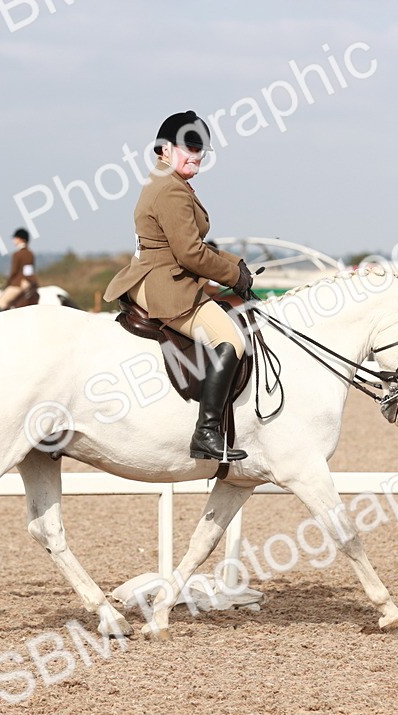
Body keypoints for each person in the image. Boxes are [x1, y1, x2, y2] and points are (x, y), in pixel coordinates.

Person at [103, 110, 252, 462]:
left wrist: (235, 264)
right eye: (188, 147)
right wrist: (233, 277)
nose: (196, 155)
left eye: (201, 150)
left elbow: (188, 245)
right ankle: (206, 431)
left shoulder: (167, 181)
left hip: (156, 271)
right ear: (165, 149)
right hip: (165, 282)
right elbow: (190, 254)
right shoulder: (171, 189)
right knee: (232, 339)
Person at [0, 228, 38, 311]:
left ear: (20, 239)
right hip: (29, 282)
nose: (14, 240)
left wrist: (8, 283)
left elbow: (14, 271)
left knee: (0, 303)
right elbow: (28, 271)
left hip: (18, 284)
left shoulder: (17, 254)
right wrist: (29, 281)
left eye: (15, 238)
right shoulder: (30, 253)